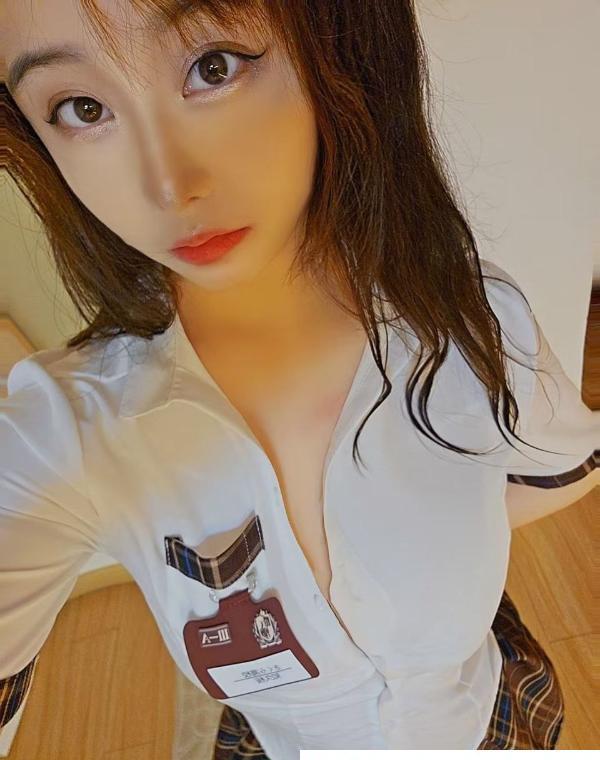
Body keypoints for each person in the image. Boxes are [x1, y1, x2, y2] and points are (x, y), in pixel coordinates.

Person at [0, 0, 597, 756]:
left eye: (212, 66)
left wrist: (441, 539)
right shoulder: (62, 435)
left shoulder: (474, 317)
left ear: (336, 48)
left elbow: (563, 470)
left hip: (493, 720)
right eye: (82, 109)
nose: (168, 185)